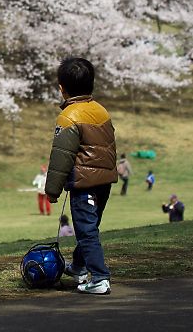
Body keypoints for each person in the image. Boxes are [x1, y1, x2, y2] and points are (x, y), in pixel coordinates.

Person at [45, 57, 117, 295]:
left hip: (84, 183)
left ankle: (99, 278)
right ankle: (78, 267)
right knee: (89, 227)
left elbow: (61, 158)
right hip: (104, 181)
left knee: (86, 230)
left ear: (61, 88)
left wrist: (52, 190)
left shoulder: (69, 117)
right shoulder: (101, 111)